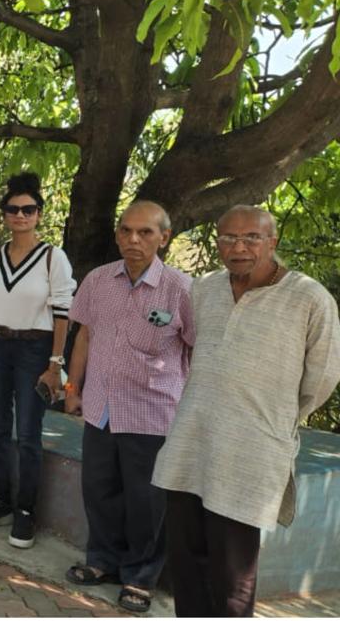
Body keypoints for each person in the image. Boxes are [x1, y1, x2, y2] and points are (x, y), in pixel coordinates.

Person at [152, 205, 340, 617]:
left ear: (272, 242)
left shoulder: (308, 298)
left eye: (252, 238)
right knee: (186, 564)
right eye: (228, 238)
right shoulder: (205, 288)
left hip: (250, 453)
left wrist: (269, 414)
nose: (239, 247)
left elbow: (322, 378)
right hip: (190, 443)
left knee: (232, 577)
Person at [62, 201, 193, 613]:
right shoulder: (99, 280)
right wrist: (72, 388)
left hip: (152, 413)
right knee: (99, 489)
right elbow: (84, 336)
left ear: (164, 238)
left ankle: (140, 576)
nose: (133, 239)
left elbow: (197, 349)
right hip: (100, 407)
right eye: (126, 230)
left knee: (146, 501)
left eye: (145, 232)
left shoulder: (181, 289)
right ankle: (102, 560)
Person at [0, 172, 75, 549]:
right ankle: (0, 501)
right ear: (5, 213)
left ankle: (25, 511)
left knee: (28, 432)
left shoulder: (53, 257)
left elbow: (63, 312)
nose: (20, 216)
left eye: (28, 209)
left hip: (35, 348)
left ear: (39, 213)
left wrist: (55, 365)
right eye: (13, 209)